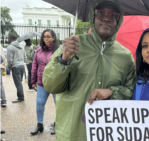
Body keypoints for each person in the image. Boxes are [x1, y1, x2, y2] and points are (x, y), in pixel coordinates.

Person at [42, 0, 136, 140]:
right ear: (93, 17)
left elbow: (131, 90)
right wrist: (64, 59)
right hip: (72, 132)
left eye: (113, 16)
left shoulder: (126, 57)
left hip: (107, 133)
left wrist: (112, 91)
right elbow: (50, 85)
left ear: (118, 20)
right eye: (100, 13)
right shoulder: (71, 46)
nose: (106, 18)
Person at [30, 29, 59, 135]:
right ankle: (39, 125)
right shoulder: (38, 50)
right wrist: (33, 81)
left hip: (56, 83)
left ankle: (58, 125)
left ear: (54, 38)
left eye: (48, 36)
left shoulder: (59, 50)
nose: (46, 38)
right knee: (39, 103)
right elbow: (34, 66)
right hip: (42, 82)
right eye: (44, 36)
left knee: (59, 105)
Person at [6, 34, 27, 103]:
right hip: (22, 66)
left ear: (10, 39)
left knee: (18, 83)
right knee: (19, 82)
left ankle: (20, 97)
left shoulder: (10, 47)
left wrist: (9, 67)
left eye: (7, 38)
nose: (7, 40)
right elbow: (25, 57)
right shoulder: (21, 46)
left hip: (15, 66)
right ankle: (21, 97)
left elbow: (9, 60)